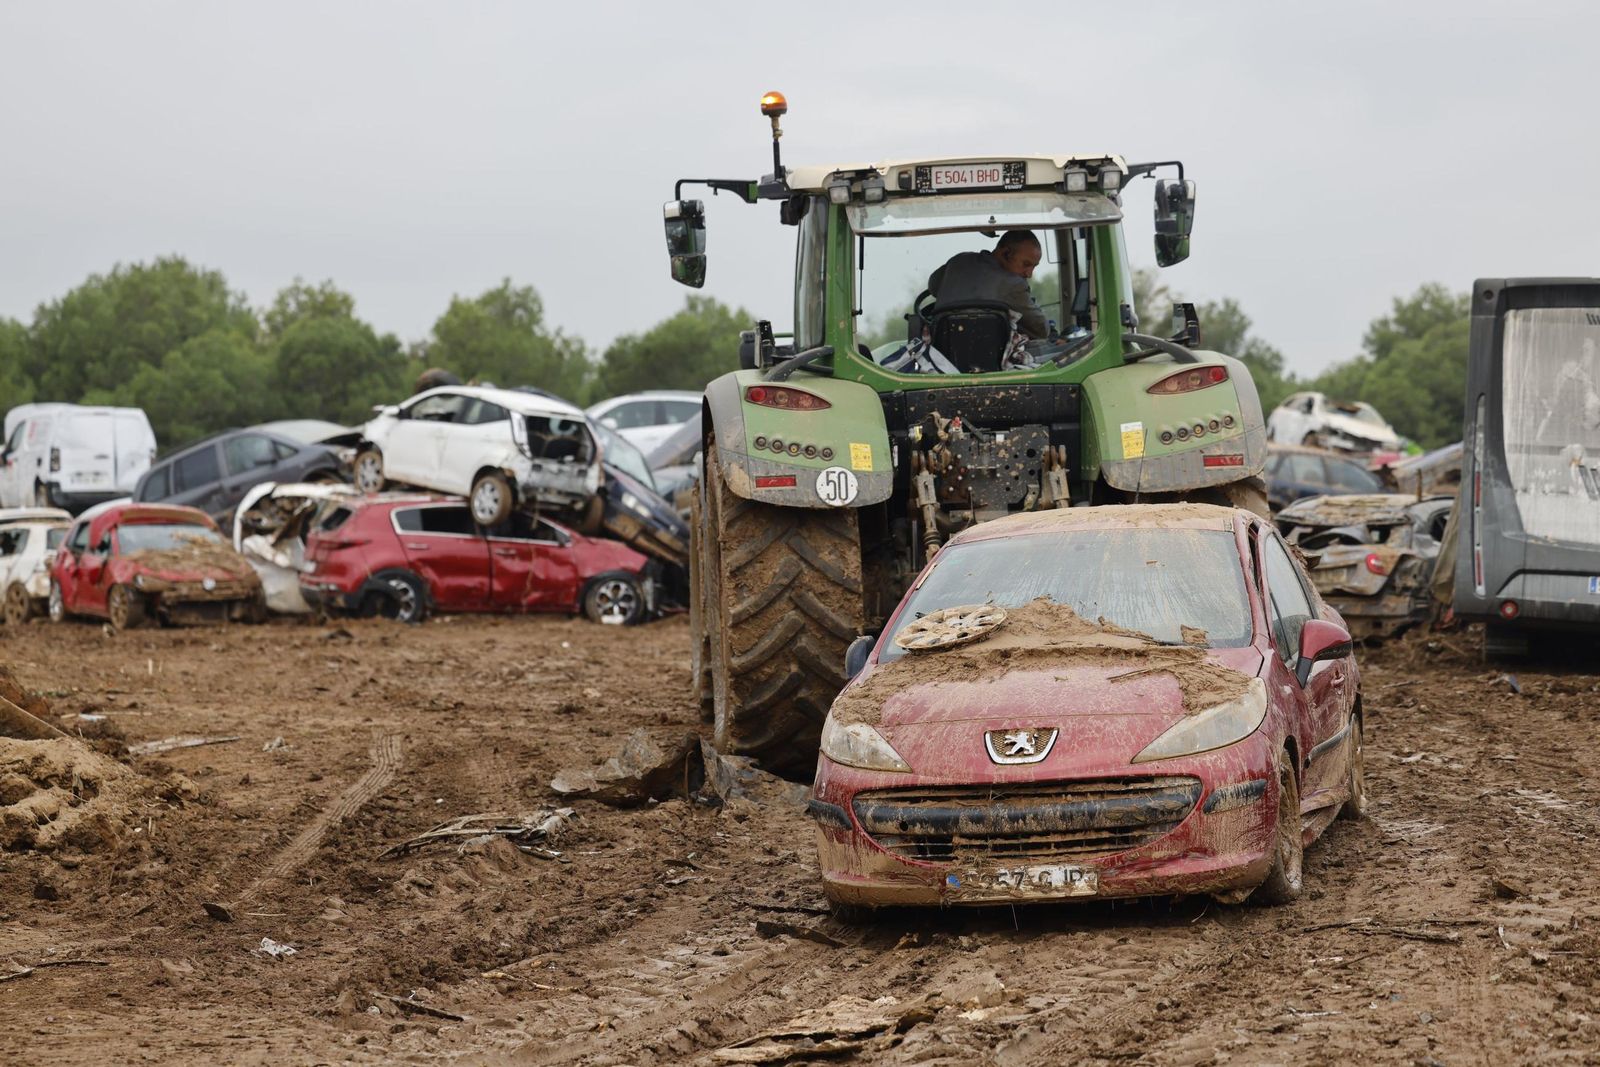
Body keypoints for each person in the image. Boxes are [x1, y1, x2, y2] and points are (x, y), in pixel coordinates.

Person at [926, 231, 1049, 340]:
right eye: (1026, 264)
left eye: (1034, 266)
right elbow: (1042, 330)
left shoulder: (958, 261)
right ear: (1005, 253)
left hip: (941, 353)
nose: (1029, 274)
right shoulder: (1014, 285)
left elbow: (933, 287)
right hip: (991, 360)